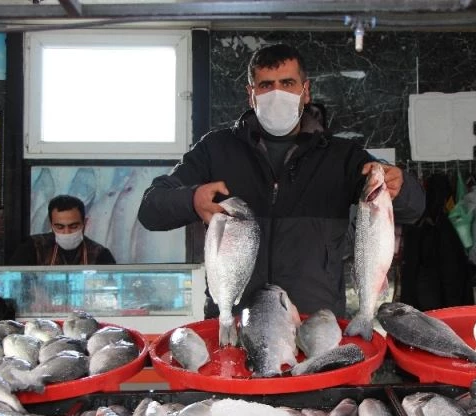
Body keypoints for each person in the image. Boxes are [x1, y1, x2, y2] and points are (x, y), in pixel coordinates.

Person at [137, 43, 425, 317]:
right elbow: (150, 209)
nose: (277, 93)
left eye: (287, 83)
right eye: (266, 85)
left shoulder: (342, 157)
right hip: (236, 322)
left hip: (316, 324)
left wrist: (401, 186)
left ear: (306, 90)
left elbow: (415, 209)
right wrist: (191, 199)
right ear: (251, 94)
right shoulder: (216, 150)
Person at [9, 194, 116, 265]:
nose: (66, 232)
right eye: (60, 227)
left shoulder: (100, 254)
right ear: (51, 225)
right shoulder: (33, 248)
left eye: (73, 226)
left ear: (85, 223)